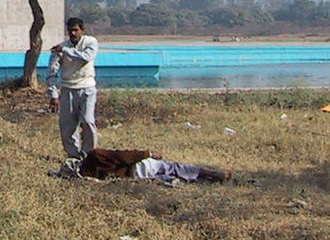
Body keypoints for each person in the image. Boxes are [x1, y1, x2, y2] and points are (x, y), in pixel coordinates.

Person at [47, 17, 99, 158]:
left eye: (76, 30)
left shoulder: (91, 42)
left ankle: (89, 155)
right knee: (67, 127)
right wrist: (53, 94)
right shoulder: (60, 48)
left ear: (82, 30)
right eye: (70, 31)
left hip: (87, 88)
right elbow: (52, 72)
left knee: (88, 122)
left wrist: (65, 50)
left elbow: (86, 57)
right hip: (68, 89)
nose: (73, 33)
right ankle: (75, 156)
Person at [77, 147, 230, 183]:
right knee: (176, 168)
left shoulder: (85, 176)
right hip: (140, 167)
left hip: (137, 177)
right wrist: (148, 153)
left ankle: (207, 179)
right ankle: (214, 174)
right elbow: (122, 156)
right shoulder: (94, 155)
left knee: (174, 177)